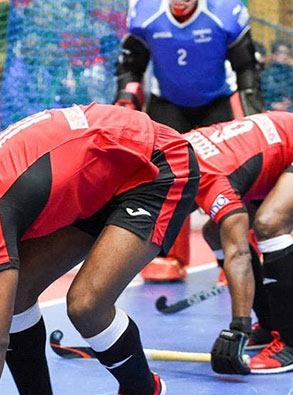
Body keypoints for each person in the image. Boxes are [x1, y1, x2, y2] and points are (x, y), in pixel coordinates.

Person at [0, 103, 200, 395]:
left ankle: (143, 392)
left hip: (156, 164)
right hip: (105, 175)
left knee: (87, 304)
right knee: (16, 293)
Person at [114, 0, 265, 281]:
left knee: (233, 176)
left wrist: (251, 111)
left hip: (216, 102)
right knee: (162, 178)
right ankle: (166, 255)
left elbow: (246, 69)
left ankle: (240, 255)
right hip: (168, 103)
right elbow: (130, 67)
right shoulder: (145, 14)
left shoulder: (224, 13)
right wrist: (126, 101)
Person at [185, 111, 293, 374]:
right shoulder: (179, 148)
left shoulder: (210, 178)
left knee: (269, 224)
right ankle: (270, 325)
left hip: (283, 148)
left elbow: (239, 254)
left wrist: (238, 328)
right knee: (214, 231)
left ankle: (291, 343)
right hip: (271, 157)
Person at [261, 40, 292, 112]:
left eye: (287, 53)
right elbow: (262, 97)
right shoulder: (266, 73)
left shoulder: (290, 72)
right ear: (273, 54)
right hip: (272, 111)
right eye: (281, 53)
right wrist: (272, 105)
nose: (285, 56)